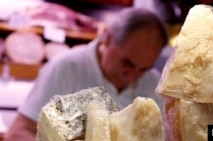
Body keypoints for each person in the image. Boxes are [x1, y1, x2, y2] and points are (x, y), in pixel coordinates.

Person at [3, 7, 167, 141]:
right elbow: (18, 133)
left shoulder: (153, 82)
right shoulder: (66, 68)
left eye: (143, 69)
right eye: (127, 64)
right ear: (108, 39)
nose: (132, 76)